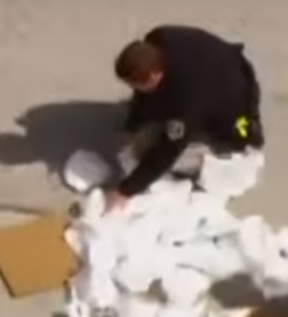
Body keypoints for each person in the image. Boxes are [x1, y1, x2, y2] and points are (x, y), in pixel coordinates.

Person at [108, 25, 264, 210]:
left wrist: (125, 191)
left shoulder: (186, 102)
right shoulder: (158, 38)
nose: (132, 90)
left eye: (136, 85)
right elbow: (142, 96)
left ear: (154, 76)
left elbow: (167, 150)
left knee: (144, 150)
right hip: (228, 65)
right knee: (146, 118)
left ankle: (215, 155)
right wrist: (132, 124)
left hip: (235, 111)